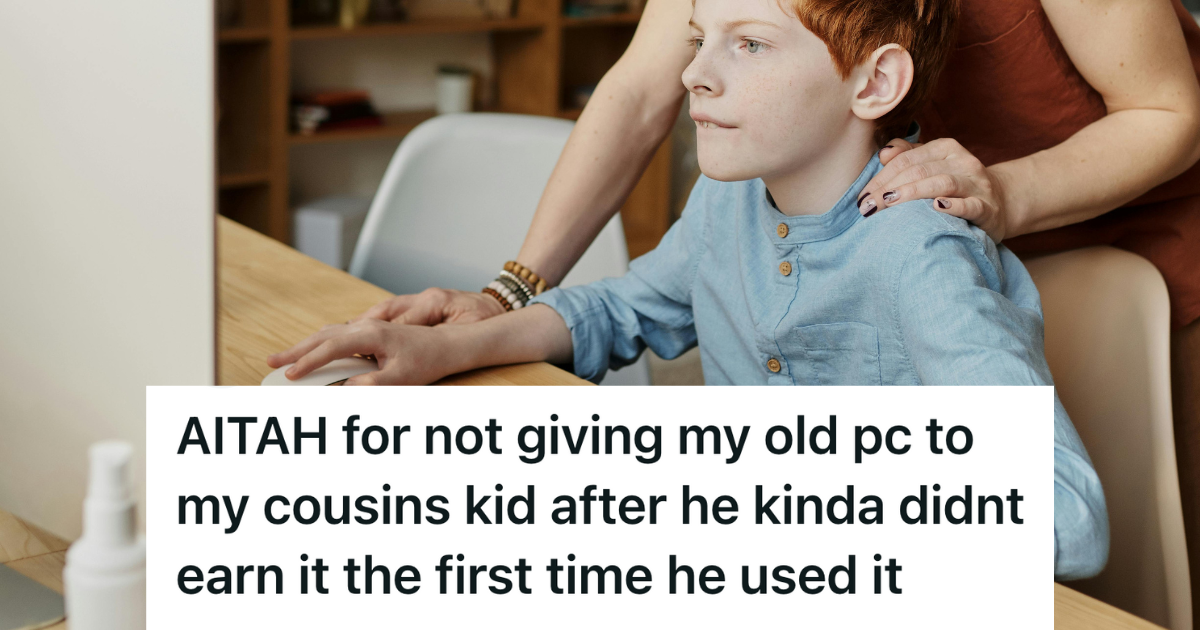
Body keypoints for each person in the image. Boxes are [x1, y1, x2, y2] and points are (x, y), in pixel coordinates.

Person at [316, 0, 1200, 600]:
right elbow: (629, 299)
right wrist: (472, 332)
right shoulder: (729, 203)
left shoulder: (919, 258)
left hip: (1061, 226)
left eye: (744, 45)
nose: (694, 75)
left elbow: (1064, 517)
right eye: (701, 37)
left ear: (875, 81)